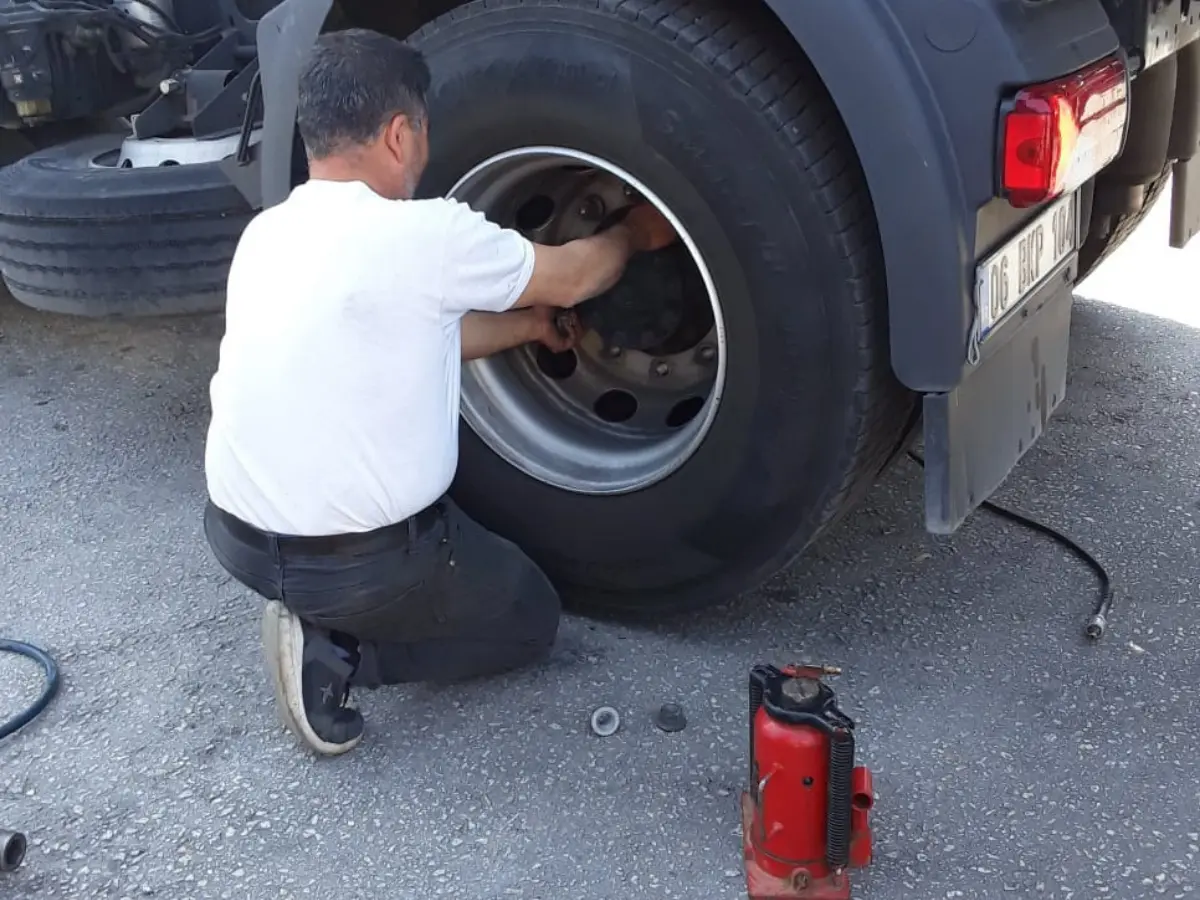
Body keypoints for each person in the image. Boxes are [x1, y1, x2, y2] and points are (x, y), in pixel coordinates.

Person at [201, 28, 678, 756]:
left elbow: (410, 336)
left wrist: (526, 329)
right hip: (359, 564)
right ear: (399, 134)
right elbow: (578, 273)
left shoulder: (267, 235)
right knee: (529, 620)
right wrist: (637, 234)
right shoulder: (425, 233)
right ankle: (341, 658)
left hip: (234, 537)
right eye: (423, 133)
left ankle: (317, 615)